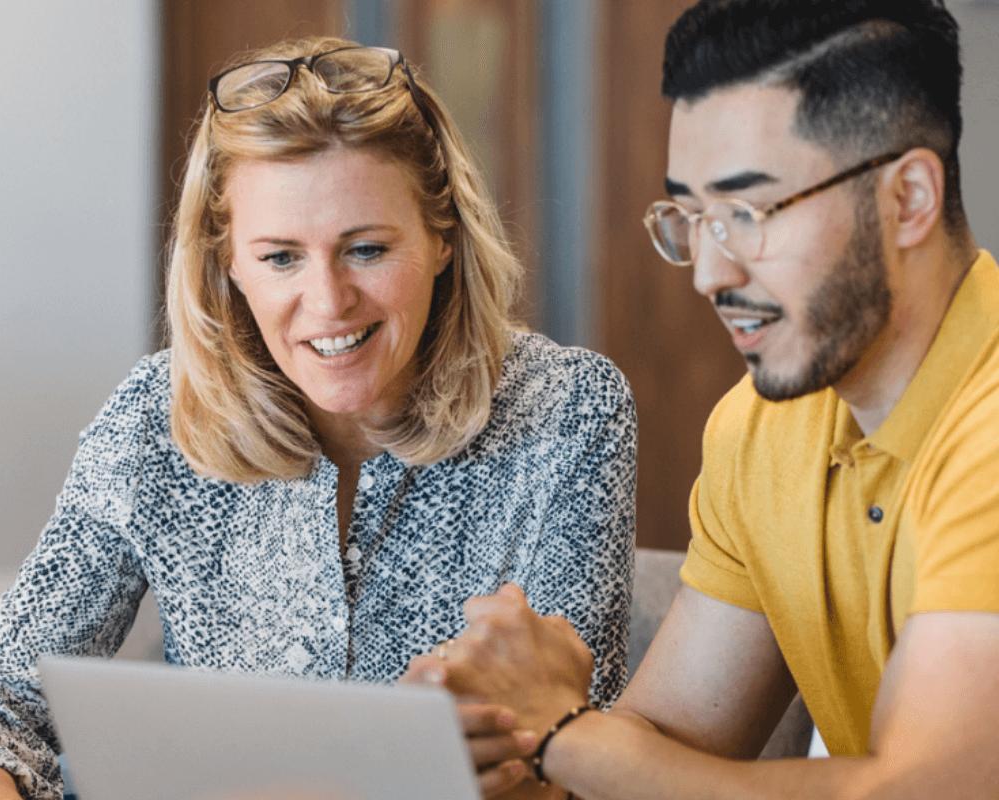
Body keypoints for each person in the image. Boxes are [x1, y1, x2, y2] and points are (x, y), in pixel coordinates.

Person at [0, 37, 637, 800]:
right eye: (279, 258)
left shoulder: (570, 411)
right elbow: (10, 697)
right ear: (227, 262)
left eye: (365, 249)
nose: (329, 303)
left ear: (443, 237)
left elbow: (572, 754)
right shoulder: (152, 417)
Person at [404, 1, 999, 797]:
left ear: (909, 200)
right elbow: (661, 743)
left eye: (747, 214)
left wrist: (563, 733)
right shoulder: (762, 429)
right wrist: (504, 743)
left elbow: (927, 791)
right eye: (692, 217)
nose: (710, 275)